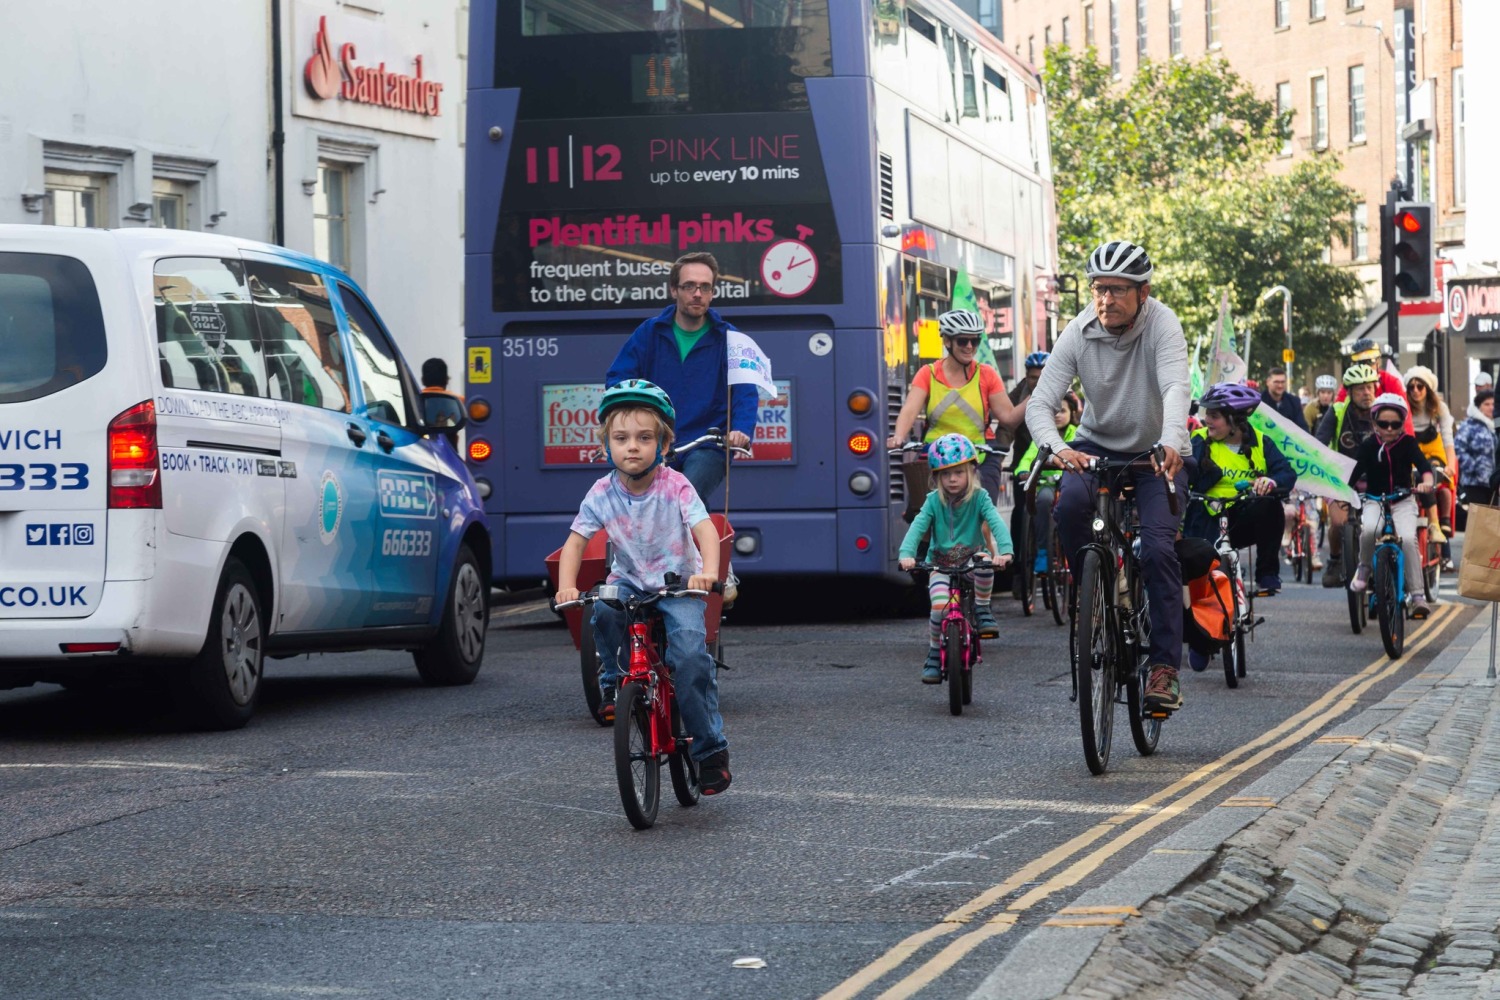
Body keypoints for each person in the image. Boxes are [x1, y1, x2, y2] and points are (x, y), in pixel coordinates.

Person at [1025, 240, 1191, 714]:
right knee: (1069, 507)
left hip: (1156, 448)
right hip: (1094, 446)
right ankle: (1094, 594)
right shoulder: (1078, 331)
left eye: (1118, 290)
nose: (1106, 300)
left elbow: (1176, 386)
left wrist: (1173, 441)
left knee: (1159, 549)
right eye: (1099, 289)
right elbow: (1041, 403)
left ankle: (1163, 669)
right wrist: (1058, 448)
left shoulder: (1163, 323)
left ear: (1144, 292)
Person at [552, 380, 732, 794]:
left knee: (688, 655)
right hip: (630, 580)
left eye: (644, 438)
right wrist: (565, 587)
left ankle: (710, 750)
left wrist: (706, 570)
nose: (632, 447)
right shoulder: (601, 492)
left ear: (663, 446)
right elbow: (575, 543)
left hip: (679, 585)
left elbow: (704, 529)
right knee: (603, 610)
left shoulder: (676, 486)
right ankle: (615, 683)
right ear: (606, 446)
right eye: (621, 438)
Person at [606, 252, 757, 505]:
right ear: (674, 290)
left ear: (712, 293)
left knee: (684, 497)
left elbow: (745, 391)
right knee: (643, 508)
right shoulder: (650, 333)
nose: (697, 293)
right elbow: (619, 381)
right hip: (656, 442)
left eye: (705, 287)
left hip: (708, 445)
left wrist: (740, 429)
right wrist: (628, 421)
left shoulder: (731, 338)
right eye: (689, 286)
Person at [898, 434, 1014, 679]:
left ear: (971, 472)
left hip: (970, 559)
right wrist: (906, 554)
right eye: (945, 474)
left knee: (983, 561)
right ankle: (932, 653)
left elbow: (996, 523)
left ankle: (982, 610)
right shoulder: (932, 502)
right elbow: (917, 528)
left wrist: (1005, 551)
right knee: (938, 609)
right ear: (936, 477)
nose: (952, 479)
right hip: (940, 564)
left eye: (958, 473)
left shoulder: (980, 497)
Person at [887, 310, 1026, 502]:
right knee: (922, 515)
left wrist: (1037, 396)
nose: (969, 346)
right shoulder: (928, 374)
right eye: (962, 341)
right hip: (936, 456)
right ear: (947, 342)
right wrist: (898, 436)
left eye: (974, 341)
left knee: (985, 515)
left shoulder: (987, 374)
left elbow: (1009, 417)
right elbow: (910, 409)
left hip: (980, 456)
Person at [1186, 381, 1297, 600]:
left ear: (1235, 420)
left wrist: (1271, 482)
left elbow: (1287, 474)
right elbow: (1182, 479)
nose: (1207, 420)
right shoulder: (1198, 440)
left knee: (1271, 505)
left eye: (1214, 416)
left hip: (1241, 520)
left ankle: (1267, 575)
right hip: (1206, 521)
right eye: (1207, 414)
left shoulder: (1261, 442)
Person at [1347, 392, 1435, 619]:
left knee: (1407, 538)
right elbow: (1353, 473)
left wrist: (1426, 482)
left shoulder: (1408, 443)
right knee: (1369, 530)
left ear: (1402, 424)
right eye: (1383, 424)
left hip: (1403, 500)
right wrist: (1343, 491)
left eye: (1395, 424)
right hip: (1375, 500)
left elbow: (1424, 466)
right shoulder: (1368, 446)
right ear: (1375, 423)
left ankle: (1417, 596)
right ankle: (1365, 568)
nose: (1388, 429)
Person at [1315, 363, 1381, 586]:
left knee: (1383, 526)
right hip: (1339, 479)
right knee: (1338, 522)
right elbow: (1320, 443)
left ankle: (1383, 570)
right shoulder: (1337, 411)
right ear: (1350, 392)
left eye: (1370, 387)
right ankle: (1334, 560)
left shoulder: (1383, 411)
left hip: (1373, 479)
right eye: (1360, 389)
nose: (1367, 393)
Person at [1014, 395, 1077, 576]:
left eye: (1063, 411)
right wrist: (1023, 471)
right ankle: (1042, 551)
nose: (1057, 415)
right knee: (1043, 500)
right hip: (1047, 484)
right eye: (1054, 411)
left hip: (1071, 482)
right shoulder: (1043, 435)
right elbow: (1028, 458)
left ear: (1072, 413)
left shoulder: (1078, 432)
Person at [1403, 365, 1455, 557]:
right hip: (1411, 455)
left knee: (1429, 476)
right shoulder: (1404, 408)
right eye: (1411, 387)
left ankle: (1435, 524)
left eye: (1420, 386)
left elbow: (1448, 439)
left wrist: (1450, 466)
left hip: (1434, 455)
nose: (1415, 391)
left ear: (1428, 388)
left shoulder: (1439, 408)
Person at [1453, 388, 1497, 527]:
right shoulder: (1469, 425)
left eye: (1493, 404)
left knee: (1493, 522)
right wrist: (1473, 468)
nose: (1491, 407)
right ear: (1478, 407)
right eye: (1487, 404)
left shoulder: (1495, 427)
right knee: (1478, 522)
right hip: (1474, 483)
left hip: (1494, 483)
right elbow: (1458, 448)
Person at [1260, 366, 1308, 432]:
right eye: (1276, 382)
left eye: (1283, 382)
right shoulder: (1259, 402)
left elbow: (1302, 428)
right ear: (1268, 382)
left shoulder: (1294, 402)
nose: (1280, 385)